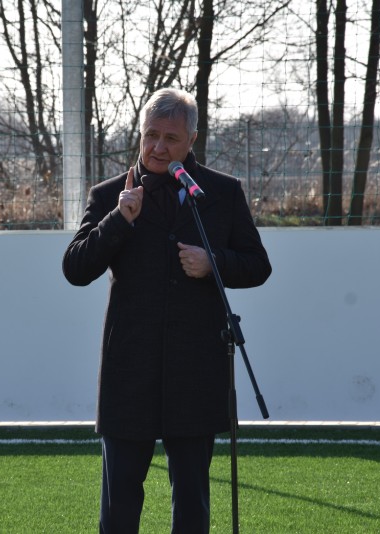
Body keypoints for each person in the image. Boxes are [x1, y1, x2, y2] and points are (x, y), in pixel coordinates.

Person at [62, 88, 271, 533]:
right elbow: (75, 269)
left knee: (192, 501)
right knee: (119, 504)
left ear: (192, 139)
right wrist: (118, 220)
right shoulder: (109, 195)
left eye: (171, 138)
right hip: (128, 371)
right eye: (151, 135)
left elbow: (258, 265)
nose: (158, 147)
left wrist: (214, 262)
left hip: (195, 370)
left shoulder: (221, 192)